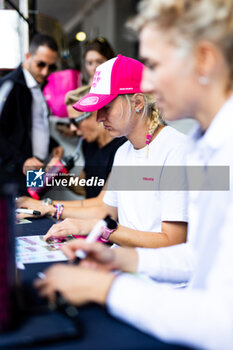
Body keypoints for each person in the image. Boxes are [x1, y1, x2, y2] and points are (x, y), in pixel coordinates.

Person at [35, 1, 233, 349]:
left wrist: (108, 285)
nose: (149, 84)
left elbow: (222, 321)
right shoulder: (204, 145)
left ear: (203, 60)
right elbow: (195, 256)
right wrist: (120, 257)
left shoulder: (190, 150)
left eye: (154, 66)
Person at [42, 54, 188, 249]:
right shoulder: (123, 152)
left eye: (106, 107)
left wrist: (102, 229)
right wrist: (62, 215)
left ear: (137, 102)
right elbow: (105, 209)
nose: (99, 118)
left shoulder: (176, 150)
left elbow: (172, 241)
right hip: (124, 264)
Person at [17, 85, 127, 217]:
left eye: (75, 121)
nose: (72, 128)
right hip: (88, 222)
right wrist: (58, 174)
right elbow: (85, 188)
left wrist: (45, 205)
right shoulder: (89, 143)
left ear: (95, 114)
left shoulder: (121, 149)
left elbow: (102, 204)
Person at [0, 34, 63, 194]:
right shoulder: (10, 85)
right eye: (40, 64)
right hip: (14, 171)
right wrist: (22, 161)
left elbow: (34, 126)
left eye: (51, 67)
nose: (45, 72)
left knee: (34, 209)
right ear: (28, 57)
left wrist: (52, 144)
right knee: (18, 214)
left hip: (35, 167)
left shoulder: (37, 86)